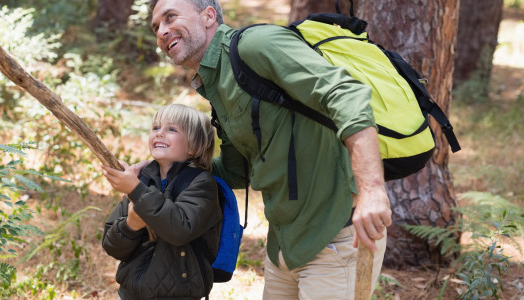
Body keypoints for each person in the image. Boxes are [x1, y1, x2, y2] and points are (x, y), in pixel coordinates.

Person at [148, 0, 391, 298]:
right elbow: (238, 172)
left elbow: (346, 94)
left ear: (208, 16)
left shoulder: (256, 45)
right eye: (156, 26)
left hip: (336, 238)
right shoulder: (216, 82)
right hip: (283, 246)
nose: (162, 31)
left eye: (170, 17)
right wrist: (163, 171)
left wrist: (373, 189)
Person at [101, 103, 222, 299]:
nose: (159, 133)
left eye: (171, 129)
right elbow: (111, 246)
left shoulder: (201, 184)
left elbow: (180, 230)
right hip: (130, 294)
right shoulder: (142, 179)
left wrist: (135, 190)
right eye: (156, 128)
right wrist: (131, 224)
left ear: (194, 146)